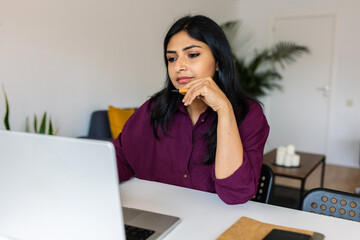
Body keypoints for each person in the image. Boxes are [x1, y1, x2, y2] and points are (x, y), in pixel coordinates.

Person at [113, 15, 269, 204]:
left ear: (218, 61)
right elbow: (115, 164)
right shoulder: (153, 109)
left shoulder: (248, 115)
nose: (179, 66)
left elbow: (235, 194)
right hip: (160, 217)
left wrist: (224, 109)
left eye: (192, 55)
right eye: (172, 58)